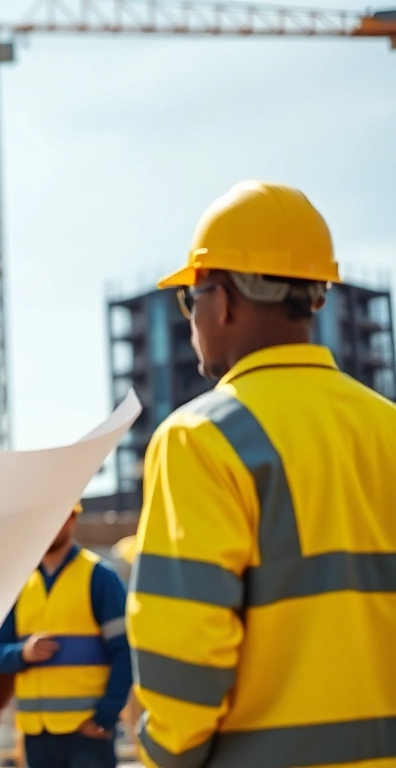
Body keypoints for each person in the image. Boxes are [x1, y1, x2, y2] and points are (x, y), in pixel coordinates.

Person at [129, 181, 396, 767]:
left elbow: (185, 656)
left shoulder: (200, 438)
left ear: (222, 300)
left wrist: (163, 752)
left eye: (190, 300)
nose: (191, 320)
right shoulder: (388, 427)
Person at [0, 502, 131, 768]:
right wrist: (23, 653)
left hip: (86, 733)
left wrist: (104, 718)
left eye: (58, 517)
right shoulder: (19, 584)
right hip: (36, 733)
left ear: (72, 520)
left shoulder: (99, 576)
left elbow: (125, 652)